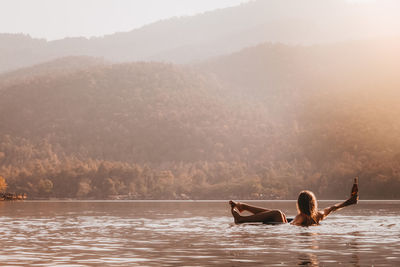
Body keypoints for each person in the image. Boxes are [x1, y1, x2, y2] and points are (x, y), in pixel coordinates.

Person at [229, 177, 359, 226]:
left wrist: (286, 222)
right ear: (314, 204)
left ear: (299, 204)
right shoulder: (318, 216)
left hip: (285, 228)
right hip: (289, 224)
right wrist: (350, 201)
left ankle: (241, 219)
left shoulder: (302, 217)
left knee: (277, 214)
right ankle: (244, 207)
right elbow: (332, 208)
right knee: (280, 215)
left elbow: (292, 227)